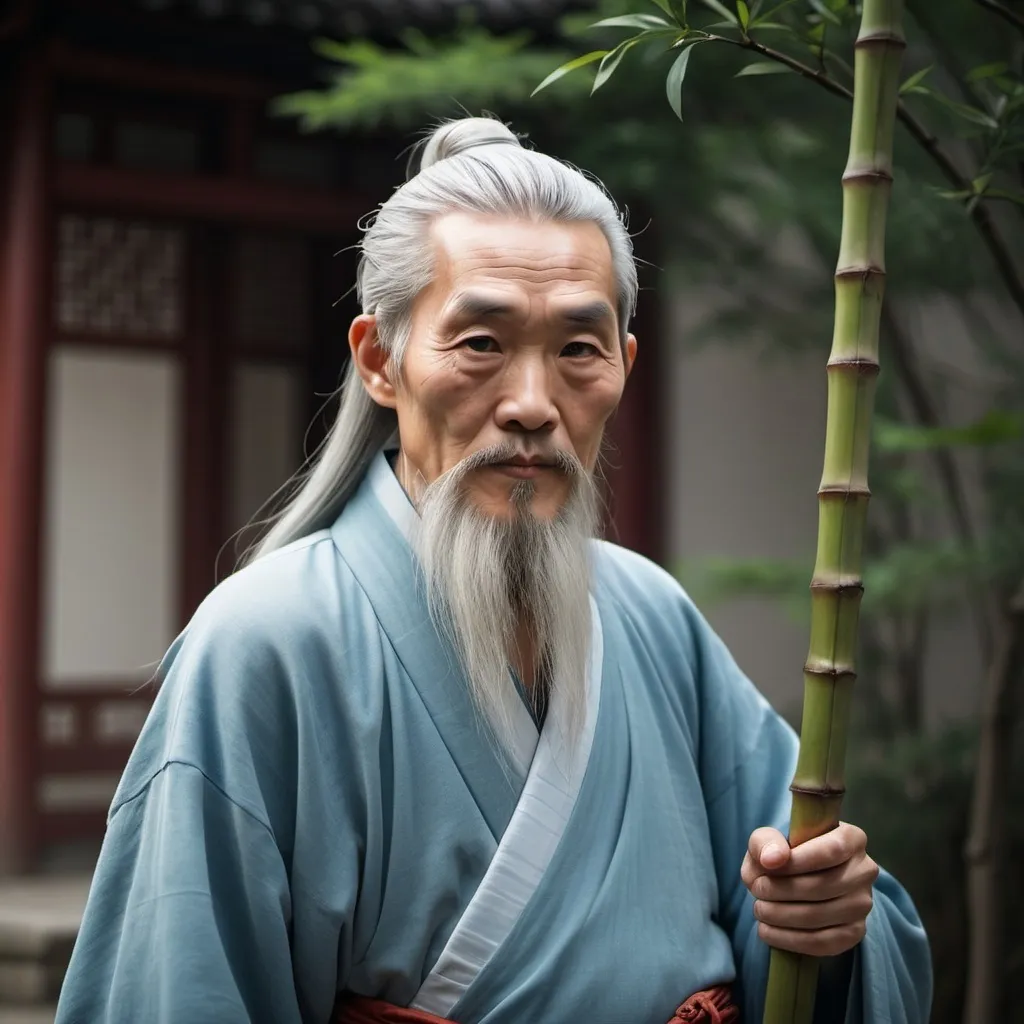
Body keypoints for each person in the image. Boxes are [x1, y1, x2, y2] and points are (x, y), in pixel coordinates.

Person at [55, 116, 932, 1024]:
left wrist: (825, 916)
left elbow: (817, 912)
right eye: (480, 344)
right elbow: (181, 987)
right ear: (379, 361)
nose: (531, 405)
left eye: (578, 351)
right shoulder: (265, 642)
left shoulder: (652, 617)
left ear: (624, 365)